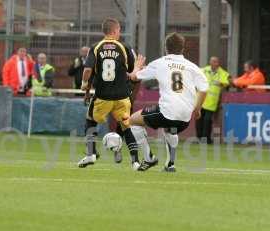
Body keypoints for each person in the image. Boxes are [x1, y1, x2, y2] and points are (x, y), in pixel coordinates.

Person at [128, 32, 209, 172]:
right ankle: (170, 164)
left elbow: (134, 77)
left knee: (132, 121)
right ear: (182, 49)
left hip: (167, 111)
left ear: (166, 48)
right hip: (185, 117)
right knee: (171, 129)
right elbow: (204, 88)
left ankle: (148, 158)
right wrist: (197, 108)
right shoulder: (192, 66)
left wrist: (137, 67)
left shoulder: (160, 63)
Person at [78, 18, 141, 170]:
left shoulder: (96, 47)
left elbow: (88, 70)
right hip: (122, 96)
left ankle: (91, 153)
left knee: (90, 121)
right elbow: (134, 74)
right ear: (114, 31)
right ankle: (135, 162)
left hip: (102, 96)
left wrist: (84, 85)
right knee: (126, 127)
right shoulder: (125, 47)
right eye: (119, 30)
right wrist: (137, 69)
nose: (119, 33)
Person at [196, 56, 230, 144]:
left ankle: (206, 139)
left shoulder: (222, 73)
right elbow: (195, 75)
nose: (215, 64)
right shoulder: (204, 70)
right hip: (201, 99)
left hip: (212, 101)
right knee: (199, 119)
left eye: (216, 62)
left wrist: (221, 83)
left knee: (207, 120)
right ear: (210, 63)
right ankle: (199, 137)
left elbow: (226, 82)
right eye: (213, 62)